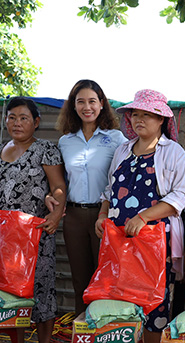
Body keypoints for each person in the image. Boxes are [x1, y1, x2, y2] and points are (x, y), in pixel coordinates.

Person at [94, 89, 185, 343]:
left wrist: (144, 217)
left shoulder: (173, 152)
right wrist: (102, 215)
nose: (140, 120)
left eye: (147, 115)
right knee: (121, 298)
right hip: (120, 241)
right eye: (135, 114)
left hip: (154, 241)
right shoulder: (123, 149)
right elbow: (109, 190)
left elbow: (181, 196)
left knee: (155, 304)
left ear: (161, 119)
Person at [1, 97, 66, 343]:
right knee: (12, 294)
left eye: (23, 118)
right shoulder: (3, 149)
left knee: (42, 292)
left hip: (35, 235)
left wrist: (56, 212)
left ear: (36, 122)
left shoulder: (45, 150)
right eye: (12, 117)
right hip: (6, 238)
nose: (17, 123)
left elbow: (59, 186)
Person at [55, 79, 126, 316]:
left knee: (104, 279)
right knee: (79, 280)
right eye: (81, 102)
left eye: (92, 101)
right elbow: (61, 181)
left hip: (103, 216)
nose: (87, 107)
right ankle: (81, 338)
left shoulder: (116, 139)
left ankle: (103, 337)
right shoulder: (65, 141)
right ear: (73, 106)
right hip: (73, 217)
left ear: (102, 103)